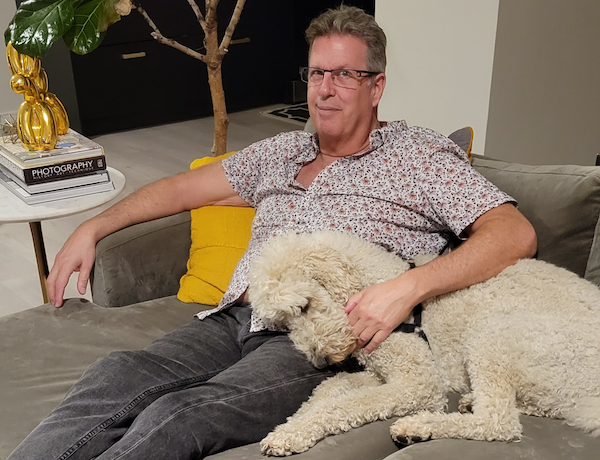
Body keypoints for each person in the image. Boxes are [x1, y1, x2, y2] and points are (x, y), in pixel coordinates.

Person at [8, 5, 537, 460]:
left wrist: (409, 288)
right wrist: (93, 226)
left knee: (183, 414)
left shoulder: (420, 156)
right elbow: (178, 190)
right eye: (315, 74)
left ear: (376, 86)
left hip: (322, 338)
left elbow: (512, 233)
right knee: (116, 376)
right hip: (234, 317)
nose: (325, 90)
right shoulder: (281, 151)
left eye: (344, 75)